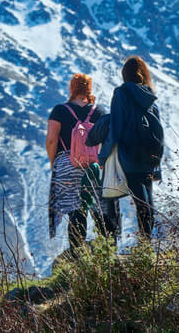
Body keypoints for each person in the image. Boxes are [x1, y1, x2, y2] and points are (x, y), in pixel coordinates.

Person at [46, 73, 117, 252]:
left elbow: (52, 140)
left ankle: (77, 252)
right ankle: (107, 249)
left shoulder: (60, 111)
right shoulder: (100, 112)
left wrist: (53, 162)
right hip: (93, 166)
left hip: (67, 165)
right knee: (98, 207)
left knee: (75, 209)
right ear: (89, 89)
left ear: (72, 88)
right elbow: (109, 140)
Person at [106, 56, 163, 238]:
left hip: (130, 153)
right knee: (148, 197)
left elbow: (116, 127)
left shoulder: (121, 93)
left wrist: (103, 155)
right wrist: (157, 168)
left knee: (139, 198)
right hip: (150, 155)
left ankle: (145, 243)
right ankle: (147, 240)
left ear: (125, 74)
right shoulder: (149, 95)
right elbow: (157, 130)